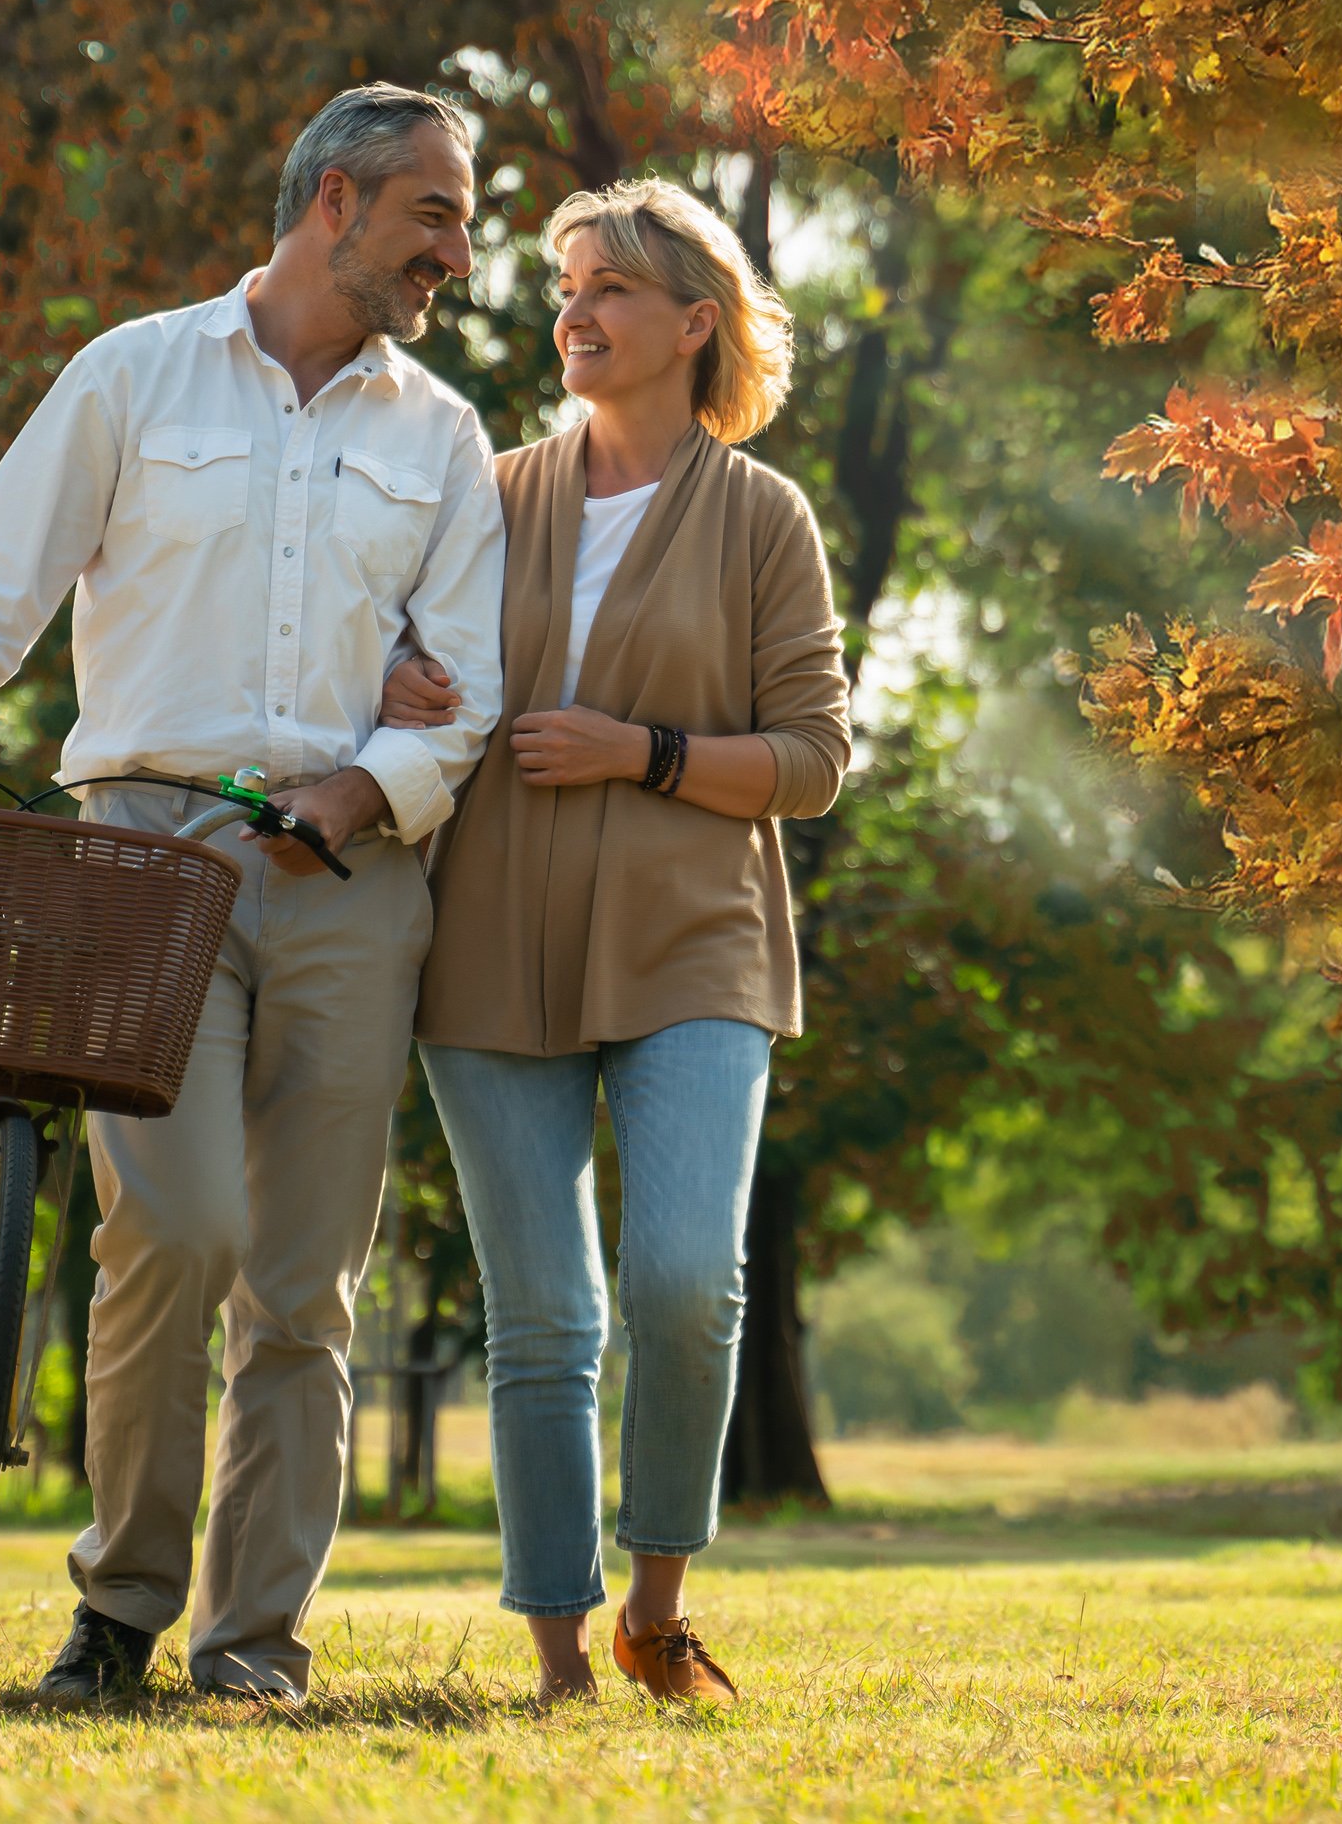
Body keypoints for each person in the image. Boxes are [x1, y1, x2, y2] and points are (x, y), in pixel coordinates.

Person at [0, 84, 506, 1704]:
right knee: (171, 1231)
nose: (459, 249)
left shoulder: (441, 436)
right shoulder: (133, 375)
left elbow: (469, 692)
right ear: (334, 201)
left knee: (305, 1286)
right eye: (435, 214)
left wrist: (356, 790)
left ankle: (251, 1647)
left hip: (353, 877)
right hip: (146, 866)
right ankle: (118, 1612)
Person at [379, 176, 850, 1704]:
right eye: (569, 284)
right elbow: (386, 658)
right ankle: (561, 1660)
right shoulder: (484, 489)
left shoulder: (763, 517)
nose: (575, 310)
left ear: (695, 325)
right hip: (489, 937)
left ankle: (661, 1602)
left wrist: (641, 752)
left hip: (694, 941)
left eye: (615, 289)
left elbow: (814, 761)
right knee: (546, 1314)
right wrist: (395, 688)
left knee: (682, 1283)